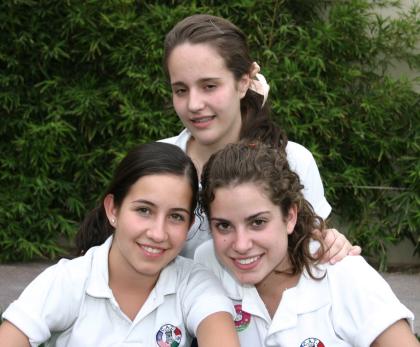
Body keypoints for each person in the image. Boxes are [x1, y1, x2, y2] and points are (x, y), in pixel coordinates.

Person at [160, 13, 360, 260]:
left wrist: (331, 244)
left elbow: (313, 251)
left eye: (209, 86)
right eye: (181, 90)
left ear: (243, 82)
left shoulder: (293, 160)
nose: (194, 104)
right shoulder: (157, 164)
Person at [0, 142, 240, 347]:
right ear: (113, 209)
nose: (158, 233)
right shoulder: (69, 280)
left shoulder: (194, 283)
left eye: (176, 216)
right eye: (144, 210)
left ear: (189, 226)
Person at [196, 141, 417, 346]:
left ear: (290, 216)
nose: (241, 245)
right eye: (223, 226)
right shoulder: (207, 265)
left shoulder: (342, 272)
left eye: (258, 222)